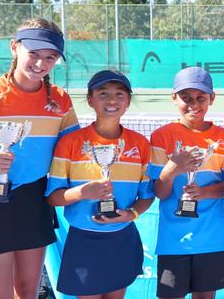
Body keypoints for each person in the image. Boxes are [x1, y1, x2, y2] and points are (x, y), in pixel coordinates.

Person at [0, 18, 78, 298]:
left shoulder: (60, 101)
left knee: (27, 291)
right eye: (33, 54)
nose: (40, 63)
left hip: (34, 201)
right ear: (14, 48)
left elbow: (73, 148)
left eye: (50, 57)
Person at [46, 70, 154, 298]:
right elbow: (53, 197)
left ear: (128, 100)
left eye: (119, 94)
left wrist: (131, 214)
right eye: (103, 93)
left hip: (122, 238)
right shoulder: (70, 143)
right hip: (84, 241)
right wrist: (82, 192)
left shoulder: (141, 144)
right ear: (90, 100)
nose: (112, 100)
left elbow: (147, 195)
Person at [148, 67, 224, 299]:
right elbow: (160, 191)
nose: (193, 104)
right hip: (174, 242)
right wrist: (172, 169)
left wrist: (205, 192)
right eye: (186, 98)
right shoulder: (161, 136)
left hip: (212, 239)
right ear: (173, 98)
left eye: (200, 98)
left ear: (212, 99)